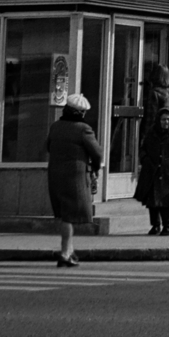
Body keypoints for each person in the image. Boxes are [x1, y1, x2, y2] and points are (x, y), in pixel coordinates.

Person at [45, 91, 100, 267]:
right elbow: (97, 153)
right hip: (74, 177)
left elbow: (48, 146)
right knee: (69, 215)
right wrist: (95, 168)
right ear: (81, 113)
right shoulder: (83, 129)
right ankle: (65, 252)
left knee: (64, 215)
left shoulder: (55, 126)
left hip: (55, 174)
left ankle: (69, 251)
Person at [135, 106, 169, 237]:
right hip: (151, 172)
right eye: (163, 119)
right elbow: (143, 148)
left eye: (168, 120)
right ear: (158, 120)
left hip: (168, 174)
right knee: (153, 202)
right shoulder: (151, 132)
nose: (166, 122)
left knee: (165, 203)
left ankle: (167, 226)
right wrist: (145, 159)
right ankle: (155, 225)